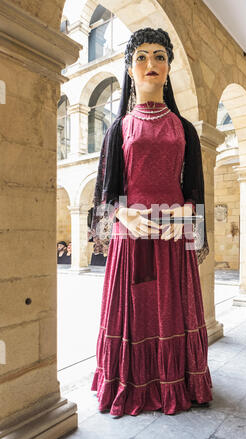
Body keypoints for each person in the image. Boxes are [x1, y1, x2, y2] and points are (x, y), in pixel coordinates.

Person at [90, 27, 212, 418]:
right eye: (141, 56)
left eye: (159, 56)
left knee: (174, 311)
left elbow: (195, 189)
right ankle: (130, 384)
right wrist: (122, 213)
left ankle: (179, 382)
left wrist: (188, 211)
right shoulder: (118, 129)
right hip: (132, 236)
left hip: (174, 237)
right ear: (129, 69)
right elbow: (107, 195)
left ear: (170, 66)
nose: (151, 64)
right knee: (135, 313)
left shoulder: (185, 129)